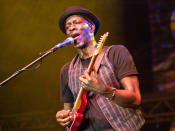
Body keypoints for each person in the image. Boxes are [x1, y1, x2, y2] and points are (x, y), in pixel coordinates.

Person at [56, 6, 145, 131]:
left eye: (76, 22)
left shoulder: (115, 53)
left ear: (91, 27)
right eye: (68, 26)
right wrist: (63, 117)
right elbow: (68, 111)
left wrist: (105, 90)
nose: (71, 27)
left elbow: (135, 99)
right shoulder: (66, 71)